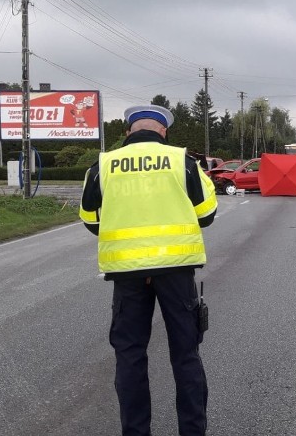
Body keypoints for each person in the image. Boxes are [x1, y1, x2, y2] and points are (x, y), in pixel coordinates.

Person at [79, 104, 218, 436]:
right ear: (164, 132)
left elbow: (89, 218)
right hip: (176, 271)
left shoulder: (102, 165)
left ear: (128, 132)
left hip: (127, 274)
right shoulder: (182, 162)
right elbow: (207, 213)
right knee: (185, 355)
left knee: (130, 357)